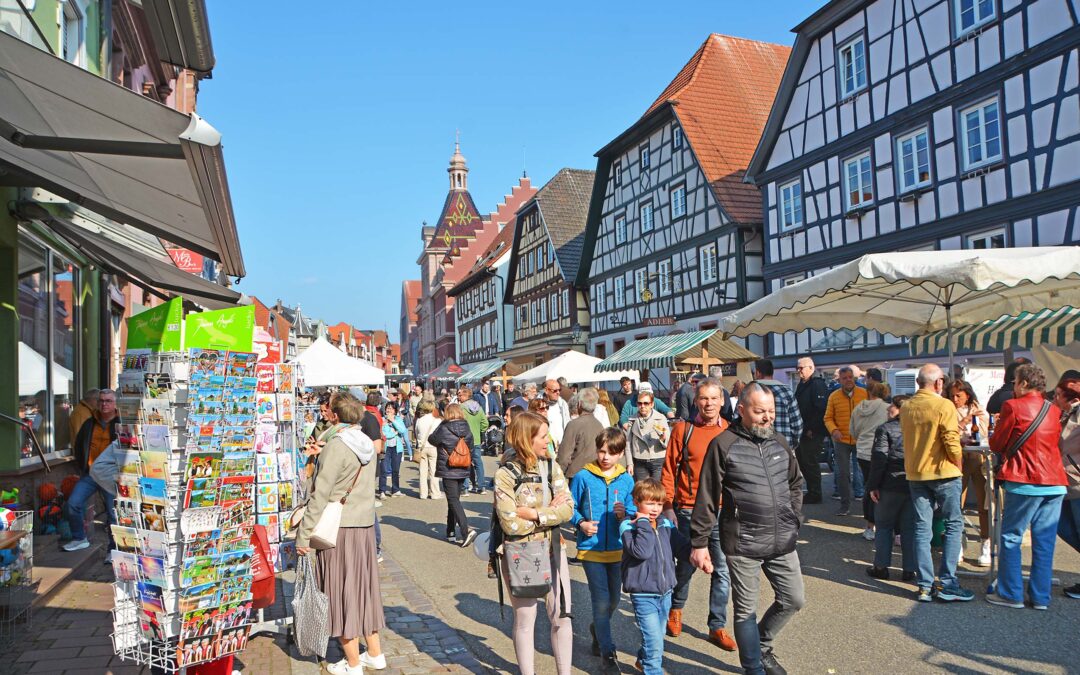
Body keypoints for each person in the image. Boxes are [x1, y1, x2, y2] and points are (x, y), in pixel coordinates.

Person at [689, 382, 806, 675]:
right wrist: (699, 543)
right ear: (741, 410)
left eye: (771, 411)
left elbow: (795, 482)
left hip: (782, 540)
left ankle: (762, 646)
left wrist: (794, 518)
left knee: (793, 599)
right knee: (745, 610)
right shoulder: (723, 444)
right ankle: (753, 666)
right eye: (760, 411)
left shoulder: (779, 441)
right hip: (743, 543)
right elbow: (706, 494)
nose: (767, 417)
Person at [295, 392, 386, 675]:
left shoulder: (337, 444)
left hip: (339, 528)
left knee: (338, 591)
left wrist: (303, 534)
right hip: (364, 525)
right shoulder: (365, 443)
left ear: (335, 414)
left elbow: (320, 495)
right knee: (364, 590)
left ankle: (353, 662)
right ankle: (375, 653)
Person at [494, 411, 574, 675]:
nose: (548, 440)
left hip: (553, 547)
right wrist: (550, 513)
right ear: (526, 439)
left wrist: (535, 514)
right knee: (526, 619)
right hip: (520, 551)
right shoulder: (505, 475)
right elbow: (510, 523)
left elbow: (568, 509)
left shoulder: (552, 466)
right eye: (542, 435)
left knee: (561, 616)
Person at [658, 378, 735, 651]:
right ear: (696, 401)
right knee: (686, 565)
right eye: (703, 398)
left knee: (722, 569)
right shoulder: (683, 430)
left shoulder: (731, 430)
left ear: (722, 401)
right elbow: (669, 469)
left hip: (724, 509)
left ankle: (717, 625)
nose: (709, 403)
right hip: (689, 508)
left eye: (714, 398)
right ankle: (676, 610)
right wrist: (668, 506)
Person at [986, 364, 1067, 610]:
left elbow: (996, 443)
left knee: (1011, 537)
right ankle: (1041, 597)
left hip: (1025, 480)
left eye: (1015, 383)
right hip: (1055, 482)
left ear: (1022, 383)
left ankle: (1011, 594)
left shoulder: (1012, 406)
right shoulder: (1053, 409)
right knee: (1045, 541)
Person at [901, 364, 972, 603]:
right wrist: (958, 461)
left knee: (922, 528)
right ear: (939, 383)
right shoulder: (944, 405)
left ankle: (925, 585)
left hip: (916, 473)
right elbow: (951, 440)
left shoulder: (907, 406)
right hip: (944, 472)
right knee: (953, 524)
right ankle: (948, 583)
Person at [570, 428, 636, 672]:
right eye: (601, 451)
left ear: (620, 454)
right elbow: (571, 506)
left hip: (618, 550)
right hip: (591, 550)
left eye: (612, 452)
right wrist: (581, 523)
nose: (605, 456)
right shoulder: (583, 477)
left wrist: (625, 513)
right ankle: (609, 654)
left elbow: (632, 507)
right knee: (601, 601)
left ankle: (598, 629)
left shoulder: (627, 480)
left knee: (615, 599)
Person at [621, 479, 689, 675]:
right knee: (655, 642)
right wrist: (642, 522)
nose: (655, 509)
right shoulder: (629, 526)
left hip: (665, 593)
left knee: (656, 637)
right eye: (650, 503)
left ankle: (643, 660)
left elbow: (681, 548)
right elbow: (642, 551)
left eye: (659, 504)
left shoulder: (665, 524)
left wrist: (699, 552)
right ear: (636, 501)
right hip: (643, 595)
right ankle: (652, 670)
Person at [866, 395, 915, 581]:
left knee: (884, 526)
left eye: (892, 407)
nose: (888, 409)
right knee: (909, 528)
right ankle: (909, 569)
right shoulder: (917, 427)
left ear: (900, 409)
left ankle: (881, 567)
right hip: (912, 483)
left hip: (889, 484)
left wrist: (873, 485)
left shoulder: (885, 429)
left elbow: (879, 458)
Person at [66, 388, 119, 553]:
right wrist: (82, 466)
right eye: (101, 401)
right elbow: (80, 444)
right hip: (90, 475)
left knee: (113, 514)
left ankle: (113, 549)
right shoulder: (89, 423)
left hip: (110, 475)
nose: (104, 404)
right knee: (72, 504)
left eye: (108, 401)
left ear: (115, 403)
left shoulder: (120, 422)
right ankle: (79, 538)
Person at [950, 379, 992, 566]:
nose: (955, 398)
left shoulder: (980, 410)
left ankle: (986, 544)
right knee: (956, 503)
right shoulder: (947, 409)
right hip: (957, 460)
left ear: (967, 394)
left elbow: (985, 434)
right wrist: (965, 420)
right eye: (952, 395)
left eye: (958, 395)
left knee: (984, 505)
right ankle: (957, 543)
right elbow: (950, 433)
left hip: (979, 459)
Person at [429, 404, 479, 547]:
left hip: (448, 468)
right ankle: (450, 530)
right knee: (454, 499)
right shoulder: (467, 427)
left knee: (453, 500)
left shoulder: (444, 428)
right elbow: (471, 445)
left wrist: (442, 424)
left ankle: (465, 530)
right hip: (462, 466)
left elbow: (432, 440)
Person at [850, 381, 891, 541]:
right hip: (881, 452)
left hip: (862, 452)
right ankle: (883, 525)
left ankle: (869, 527)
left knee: (869, 487)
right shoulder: (886, 408)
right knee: (882, 489)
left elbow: (852, 431)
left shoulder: (858, 408)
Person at [825, 366, 868, 516]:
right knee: (842, 473)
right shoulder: (834, 396)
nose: (848, 380)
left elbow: (871, 414)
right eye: (845, 378)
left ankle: (867, 503)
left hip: (861, 439)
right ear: (840, 380)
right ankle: (845, 505)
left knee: (864, 471)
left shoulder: (864, 394)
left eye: (850, 377)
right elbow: (828, 418)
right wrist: (833, 430)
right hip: (841, 439)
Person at [1053, 372, 1080, 598]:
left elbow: (1065, 443)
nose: (1055, 399)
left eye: (1058, 395)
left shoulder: (1077, 414)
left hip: (1077, 481)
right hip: (1066, 481)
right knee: (1063, 528)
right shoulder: (1066, 414)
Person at [794, 357, 828, 504]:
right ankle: (812, 491)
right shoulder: (802, 385)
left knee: (810, 461)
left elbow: (820, 409)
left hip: (813, 431)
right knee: (802, 460)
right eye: (798, 368)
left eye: (801, 368)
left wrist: (812, 428)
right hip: (804, 429)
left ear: (811, 368)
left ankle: (815, 493)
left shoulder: (817, 384)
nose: (798, 371)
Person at [753, 360, 804, 450]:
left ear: (757, 373)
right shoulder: (786, 392)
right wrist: (792, 444)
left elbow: (738, 422)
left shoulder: (749, 393)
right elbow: (797, 424)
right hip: (783, 447)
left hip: (756, 448)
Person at [556, 388, 605, 481]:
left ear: (579, 404)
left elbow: (564, 456)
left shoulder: (573, 425)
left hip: (576, 475)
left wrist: (559, 475)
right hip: (596, 473)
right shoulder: (599, 425)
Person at [627, 389, 669, 481]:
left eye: (646, 403)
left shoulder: (660, 418)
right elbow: (628, 443)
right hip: (639, 460)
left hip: (657, 459)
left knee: (657, 491)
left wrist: (662, 439)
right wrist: (629, 463)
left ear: (652, 404)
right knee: (642, 492)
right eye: (640, 403)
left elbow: (668, 443)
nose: (642, 406)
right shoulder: (632, 419)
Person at [458, 386, 491, 494]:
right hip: (476, 439)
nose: (458, 397)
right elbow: (485, 423)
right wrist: (479, 431)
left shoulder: (461, 408)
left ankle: (465, 488)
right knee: (478, 463)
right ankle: (481, 487)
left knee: (465, 463)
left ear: (465, 395)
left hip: (464, 440)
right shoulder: (478, 407)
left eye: (460, 395)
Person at [414, 404, 444, 500]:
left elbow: (416, 433)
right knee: (434, 471)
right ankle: (435, 493)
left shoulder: (419, 420)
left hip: (422, 447)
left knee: (422, 472)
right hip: (434, 447)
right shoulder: (437, 421)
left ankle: (423, 493)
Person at [544, 379, 572, 446]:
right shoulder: (540, 404)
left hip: (561, 445)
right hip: (547, 445)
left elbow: (567, 423)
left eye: (559, 390)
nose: (558, 392)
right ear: (546, 390)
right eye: (555, 390)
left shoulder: (562, 404)